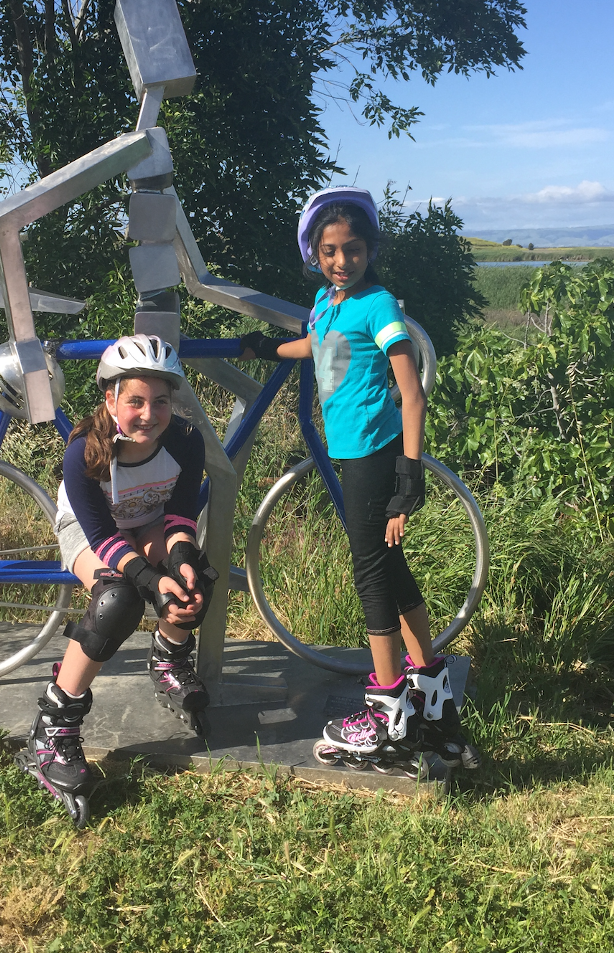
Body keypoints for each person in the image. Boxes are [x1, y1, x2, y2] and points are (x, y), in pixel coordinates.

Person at [239, 188, 478, 771]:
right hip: (351, 454)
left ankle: (387, 711)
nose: (341, 261)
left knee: (369, 571)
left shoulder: (378, 306)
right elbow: (318, 345)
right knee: (390, 566)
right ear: (315, 255)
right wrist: (268, 348)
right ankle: (432, 697)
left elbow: (413, 392)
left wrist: (410, 473)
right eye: (329, 251)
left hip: (377, 452)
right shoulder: (326, 302)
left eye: (352, 250)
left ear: (370, 250)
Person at [26, 335, 216, 801]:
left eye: (161, 402)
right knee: (118, 599)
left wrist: (182, 561)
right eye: (135, 401)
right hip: (91, 532)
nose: (149, 414)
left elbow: (180, 515)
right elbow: (103, 538)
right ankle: (54, 724)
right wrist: (151, 579)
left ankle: (168, 657)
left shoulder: (186, 442)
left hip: (149, 519)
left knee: (194, 580)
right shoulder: (82, 453)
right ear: (110, 399)